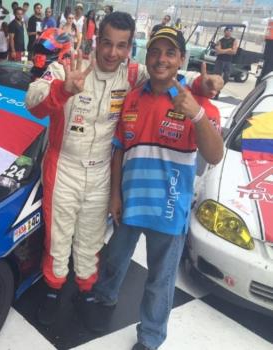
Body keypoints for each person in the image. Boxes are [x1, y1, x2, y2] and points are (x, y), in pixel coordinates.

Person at [25, 12, 223, 328]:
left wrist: (203, 83)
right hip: (64, 166)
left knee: (91, 240)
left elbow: (167, 75)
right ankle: (51, 291)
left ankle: (87, 293)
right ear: (96, 41)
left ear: (130, 47)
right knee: (58, 238)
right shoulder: (67, 66)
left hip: (103, 170)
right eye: (106, 43)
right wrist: (63, 87)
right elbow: (32, 104)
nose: (112, 53)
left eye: (121, 46)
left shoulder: (132, 74)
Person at [89, 27, 224, 350]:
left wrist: (198, 114)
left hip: (169, 209)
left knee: (159, 282)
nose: (161, 59)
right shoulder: (133, 96)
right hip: (130, 204)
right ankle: (104, 298)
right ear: (146, 56)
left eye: (169, 52)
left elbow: (215, 155)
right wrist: (115, 196)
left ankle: (149, 338)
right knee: (114, 261)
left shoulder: (196, 101)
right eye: (155, 51)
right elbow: (120, 148)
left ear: (180, 60)